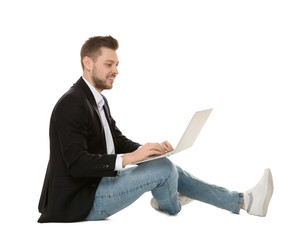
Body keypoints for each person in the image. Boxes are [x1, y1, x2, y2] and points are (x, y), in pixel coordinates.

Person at [37, 36, 274, 223]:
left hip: (97, 186)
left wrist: (147, 150)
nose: (116, 70)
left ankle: (245, 202)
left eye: (117, 64)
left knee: (164, 165)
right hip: (81, 201)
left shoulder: (96, 100)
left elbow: (116, 140)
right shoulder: (71, 104)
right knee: (164, 170)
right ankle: (169, 200)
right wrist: (131, 159)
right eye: (109, 64)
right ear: (87, 63)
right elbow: (77, 164)